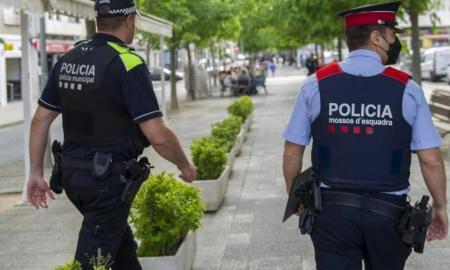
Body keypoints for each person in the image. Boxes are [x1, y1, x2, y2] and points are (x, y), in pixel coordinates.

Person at [26, 0, 196, 269]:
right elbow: (158, 135)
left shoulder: (68, 59)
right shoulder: (127, 63)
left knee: (121, 252)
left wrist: (35, 173)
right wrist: (184, 165)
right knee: (93, 262)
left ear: (97, 20)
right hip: (106, 182)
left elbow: (40, 121)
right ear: (129, 20)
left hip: (71, 176)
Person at [282, 2, 448, 270]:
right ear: (376, 37)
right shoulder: (407, 88)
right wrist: (441, 207)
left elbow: (292, 150)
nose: (395, 42)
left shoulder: (316, 83)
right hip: (389, 215)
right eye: (392, 35)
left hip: (331, 213)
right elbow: (430, 160)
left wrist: (295, 196)